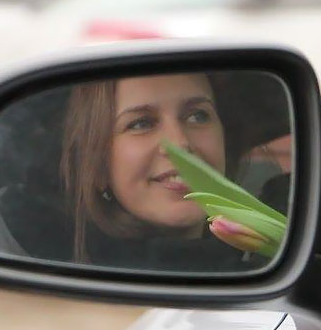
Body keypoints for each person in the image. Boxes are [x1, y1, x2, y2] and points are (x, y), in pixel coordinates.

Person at [60, 72, 257, 268]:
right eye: (141, 123)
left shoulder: (265, 270)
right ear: (98, 166)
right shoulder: (80, 286)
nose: (179, 143)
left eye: (198, 116)